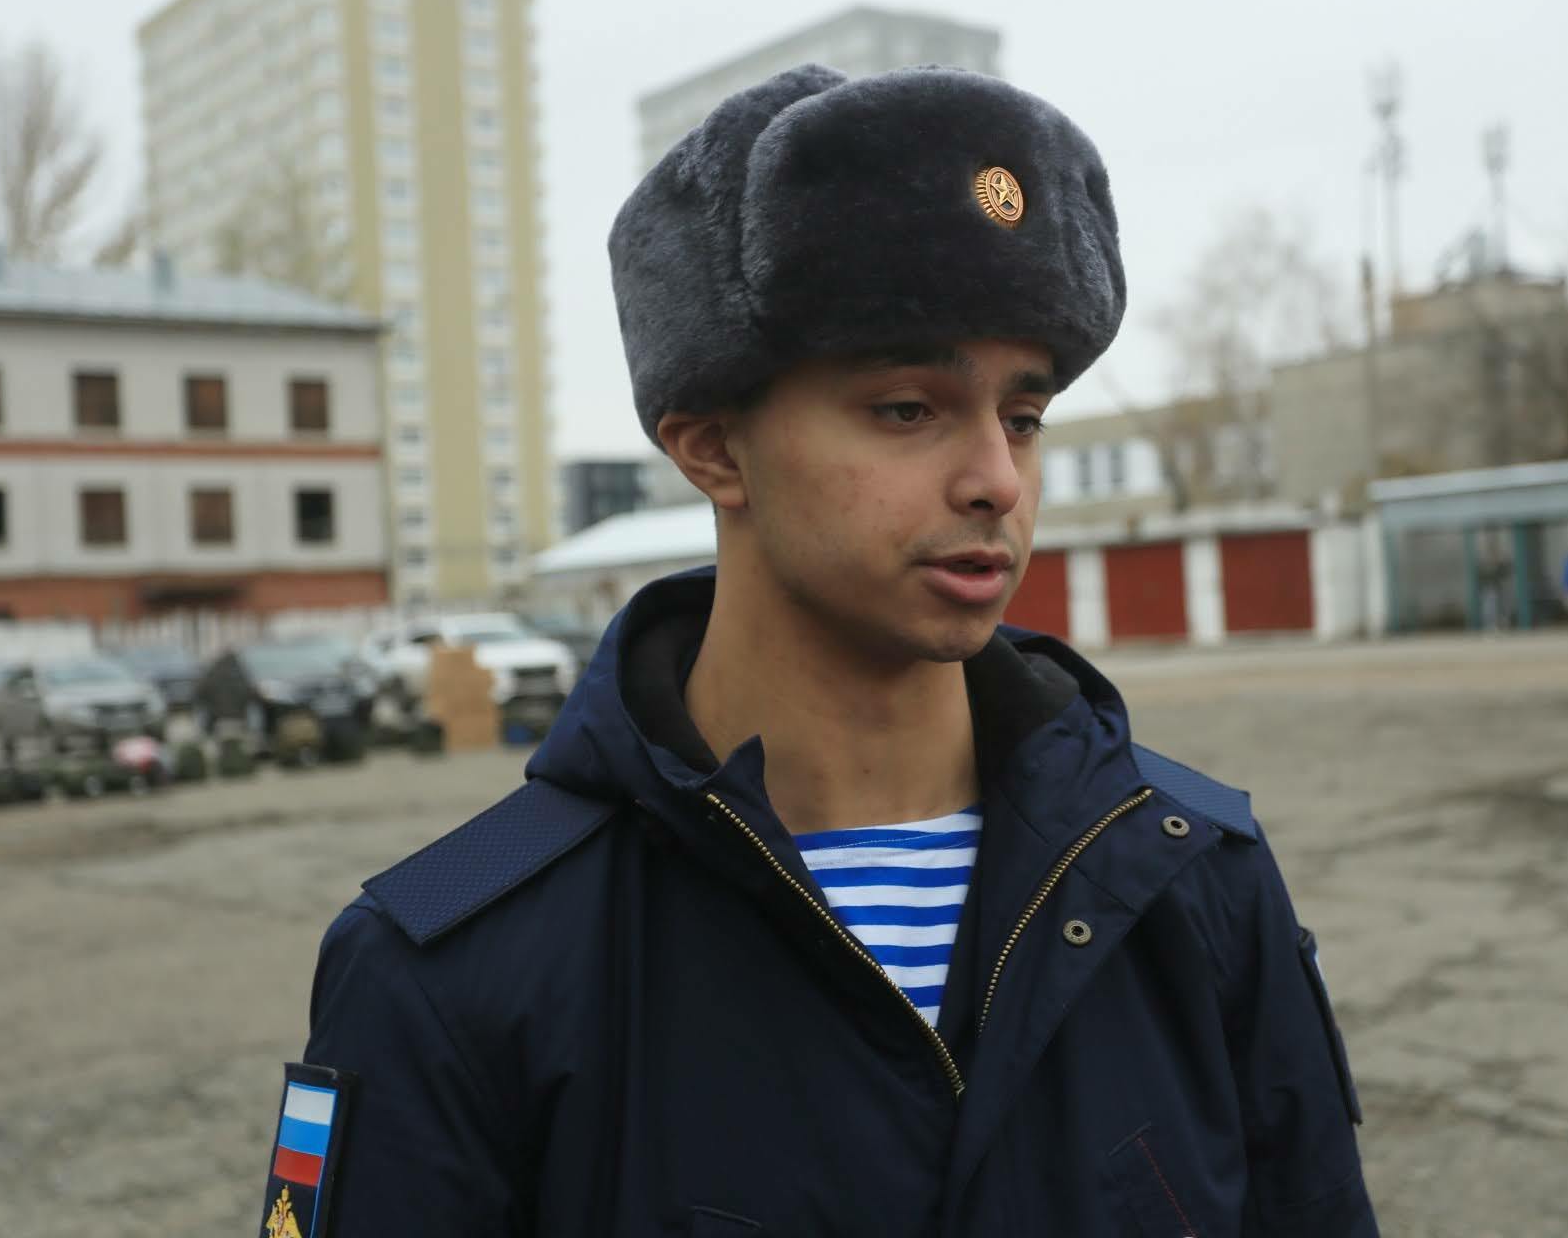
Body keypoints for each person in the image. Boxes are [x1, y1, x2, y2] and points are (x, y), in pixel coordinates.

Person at [262, 66, 1378, 1236]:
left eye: (1023, 416)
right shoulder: (449, 966)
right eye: (907, 408)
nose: (997, 478)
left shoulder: (1193, 877)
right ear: (713, 449)